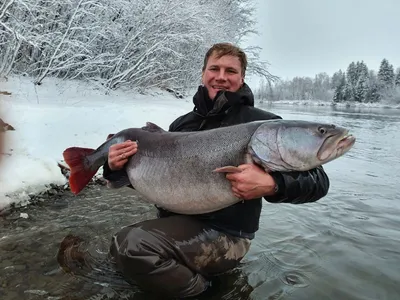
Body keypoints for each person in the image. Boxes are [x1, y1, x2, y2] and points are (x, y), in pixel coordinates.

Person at [102, 43, 330, 298]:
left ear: (241, 78)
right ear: (203, 73)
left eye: (230, 71)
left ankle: (206, 293)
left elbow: (318, 181)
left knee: (133, 246)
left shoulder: (265, 126)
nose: (221, 77)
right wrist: (114, 168)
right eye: (215, 68)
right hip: (176, 225)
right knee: (119, 250)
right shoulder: (182, 124)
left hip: (227, 236)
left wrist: (272, 184)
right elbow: (161, 179)